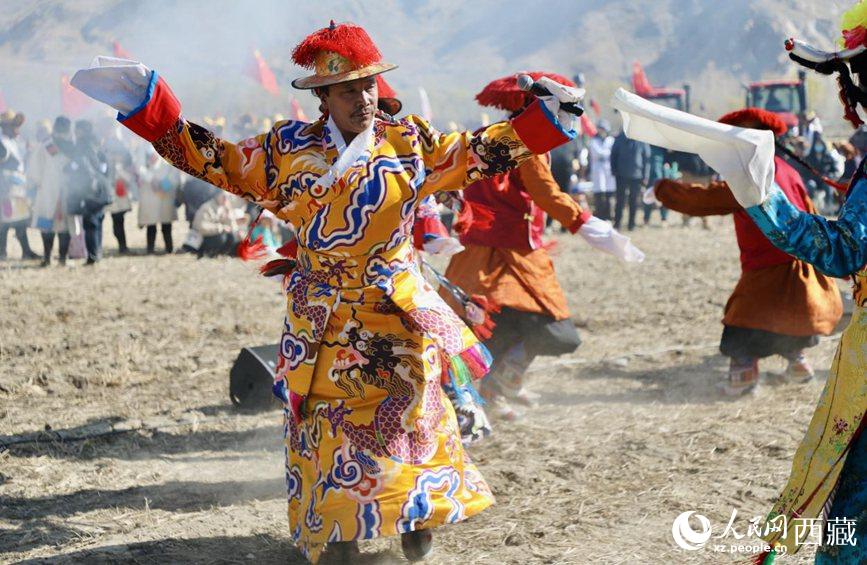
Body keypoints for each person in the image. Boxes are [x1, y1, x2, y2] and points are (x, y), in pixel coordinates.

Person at [71, 21, 582, 564]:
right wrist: (155, 111)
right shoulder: (285, 151)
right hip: (324, 317)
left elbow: (477, 151)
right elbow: (215, 159)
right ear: (322, 96)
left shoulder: (409, 142)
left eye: (368, 87)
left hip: (397, 312)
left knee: (412, 414)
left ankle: (414, 509)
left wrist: (543, 121)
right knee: (326, 425)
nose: (363, 98)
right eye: (347, 90)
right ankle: (341, 531)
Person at [613, 11, 867, 559]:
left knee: (851, 502)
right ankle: (787, 364)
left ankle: (748, 374)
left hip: (776, 276)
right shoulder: (796, 170)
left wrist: (677, 191)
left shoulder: (764, 176)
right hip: (800, 281)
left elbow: (843, 247)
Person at [443, 72, 643, 422]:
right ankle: (495, 389)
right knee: (546, 327)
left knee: (497, 326)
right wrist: (587, 225)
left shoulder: (485, 138)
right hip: (511, 253)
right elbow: (547, 194)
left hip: (479, 252)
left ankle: (502, 385)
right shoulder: (525, 144)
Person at [647, 108, 842, 396]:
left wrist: (663, 190)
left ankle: (744, 377)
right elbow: (811, 213)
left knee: (742, 324)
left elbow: (707, 200)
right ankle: (798, 364)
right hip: (802, 270)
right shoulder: (786, 169)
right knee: (792, 321)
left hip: (767, 271)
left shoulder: (750, 173)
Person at [28, 116, 76, 267]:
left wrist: (33, 187)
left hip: (48, 191)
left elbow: (34, 172)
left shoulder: (45, 145)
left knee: (50, 225)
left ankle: (48, 258)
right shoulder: (73, 146)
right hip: (67, 190)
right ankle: (62, 259)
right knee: (63, 227)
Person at [0, 110, 38, 260]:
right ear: (6, 127)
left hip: (16, 189)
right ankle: (5, 252)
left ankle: (10, 252)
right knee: (8, 221)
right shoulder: (2, 144)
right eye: (14, 126)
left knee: (16, 220)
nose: (17, 129)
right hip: (6, 189)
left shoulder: (11, 142)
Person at [72, 119, 111, 265]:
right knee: (98, 221)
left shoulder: (82, 145)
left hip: (89, 189)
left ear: (81, 131)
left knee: (90, 224)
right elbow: (105, 167)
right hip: (102, 188)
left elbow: (82, 166)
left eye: (77, 129)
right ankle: (98, 253)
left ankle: (92, 257)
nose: (75, 132)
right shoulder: (98, 144)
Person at [137, 147, 178, 254]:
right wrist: (151, 179)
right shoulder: (145, 166)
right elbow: (140, 170)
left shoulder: (167, 164)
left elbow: (174, 176)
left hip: (165, 198)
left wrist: (165, 185)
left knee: (166, 226)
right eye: (151, 156)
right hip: (151, 199)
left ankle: (169, 248)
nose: (153, 158)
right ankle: (150, 248)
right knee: (151, 225)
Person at [610, 127, 650, 231]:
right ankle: (617, 223)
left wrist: (645, 176)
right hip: (621, 175)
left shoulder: (641, 140)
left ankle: (631, 224)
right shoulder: (620, 138)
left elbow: (646, 159)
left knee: (634, 201)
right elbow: (613, 155)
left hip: (637, 176)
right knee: (620, 200)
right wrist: (614, 171)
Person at [192, 191, 243, 257]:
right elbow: (200, 227)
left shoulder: (224, 207)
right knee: (222, 237)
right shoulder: (207, 207)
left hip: (214, 234)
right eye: (224, 197)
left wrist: (229, 212)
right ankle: (207, 252)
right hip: (201, 238)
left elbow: (231, 227)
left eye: (228, 197)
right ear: (217, 196)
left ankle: (219, 253)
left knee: (231, 236)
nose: (226, 199)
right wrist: (221, 227)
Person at [588, 120, 615, 220]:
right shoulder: (593, 140)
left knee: (609, 193)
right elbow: (597, 153)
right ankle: (599, 215)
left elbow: (612, 153)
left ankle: (608, 215)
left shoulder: (611, 140)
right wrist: (607, 153)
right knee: (599, 193)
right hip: (598, 168)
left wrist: (606, 153)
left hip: (608, 168)